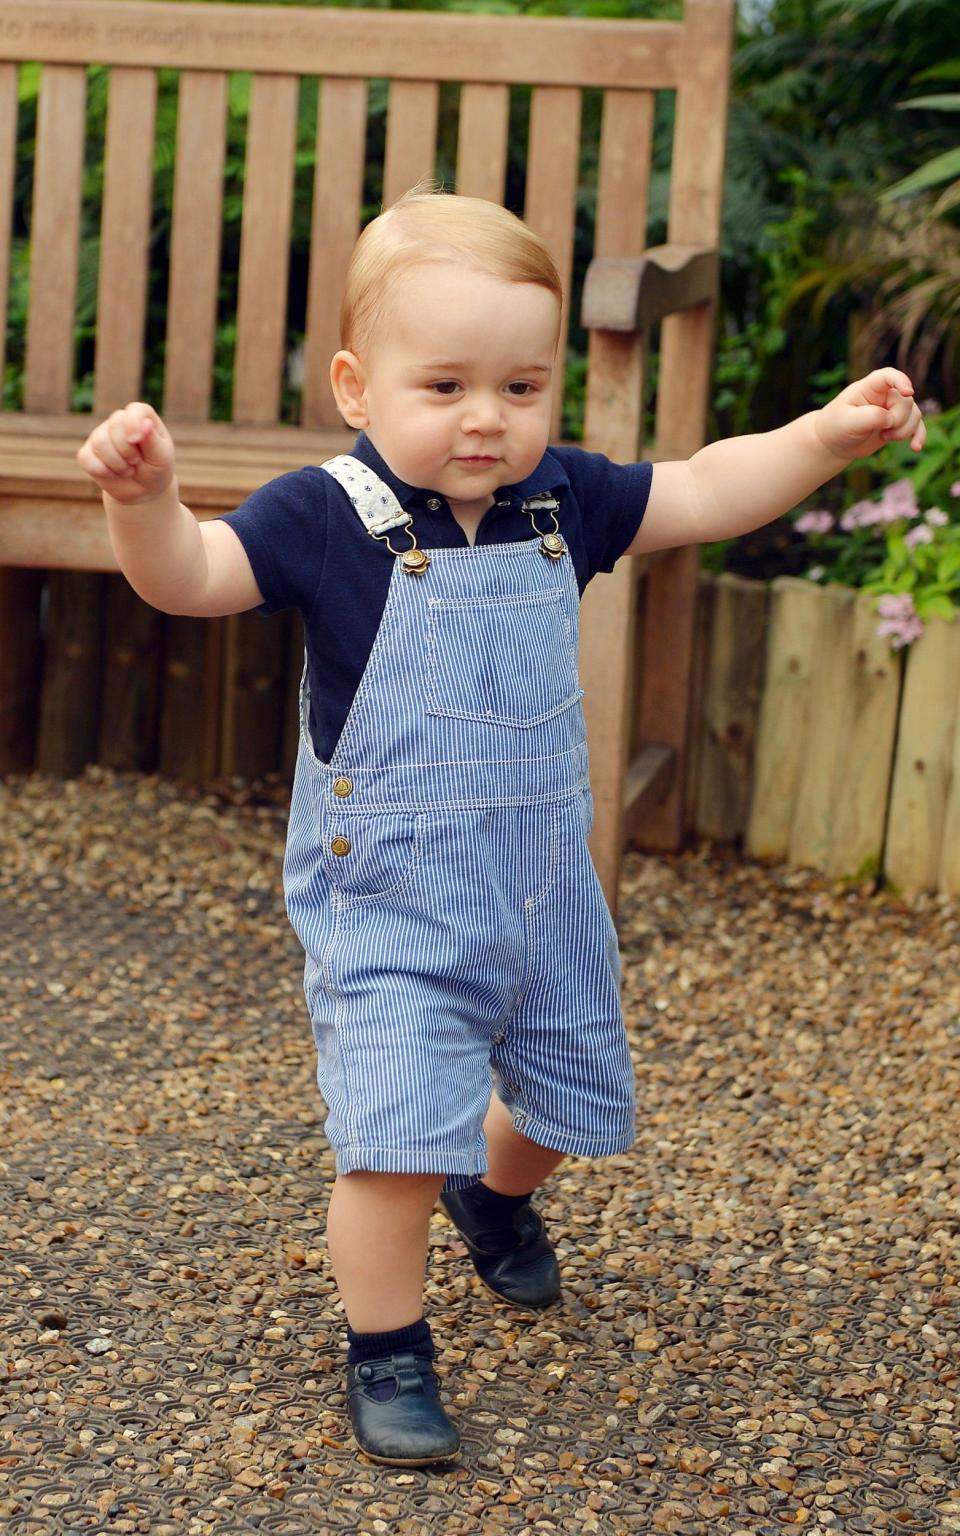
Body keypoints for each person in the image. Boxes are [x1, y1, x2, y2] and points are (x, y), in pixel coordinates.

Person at [77, 188, 925, 1469]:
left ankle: (496, 1192)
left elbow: (699, 489)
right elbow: (189, 578)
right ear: (358, 388)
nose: (490, 418)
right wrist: (144, 502)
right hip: (391, 898)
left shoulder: (561, 501)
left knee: (568, 1096)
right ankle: (388, 1350)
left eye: (523, 387)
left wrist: (819, 435)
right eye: (448, 386)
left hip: (538, 880)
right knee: (394, 1141)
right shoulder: (323, 515)